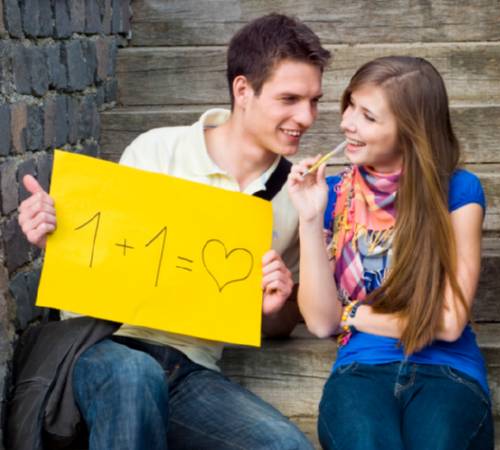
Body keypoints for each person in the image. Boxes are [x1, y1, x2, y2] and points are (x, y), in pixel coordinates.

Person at [16, 13, 330, 450]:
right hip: (104, 344)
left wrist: (270, 307)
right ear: (243, 90)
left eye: (314, 101)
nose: (306, 117)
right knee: (135, 374)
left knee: (285, 445)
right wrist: (54, 235)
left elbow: (280, 323)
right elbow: (100, 258)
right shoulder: (157, 149)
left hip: (190, 367)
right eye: (290, 99)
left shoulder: (294, 197)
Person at [288, 56, 494, 450]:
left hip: (448, 370)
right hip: (360, 369)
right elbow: (320, 322)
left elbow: (449, 323)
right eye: (350, 105)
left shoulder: (458, 191)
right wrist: (310, 219)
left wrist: (353, 314)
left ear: (410, 131)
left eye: (367, 116)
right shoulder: (332, 195)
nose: (347, 123)